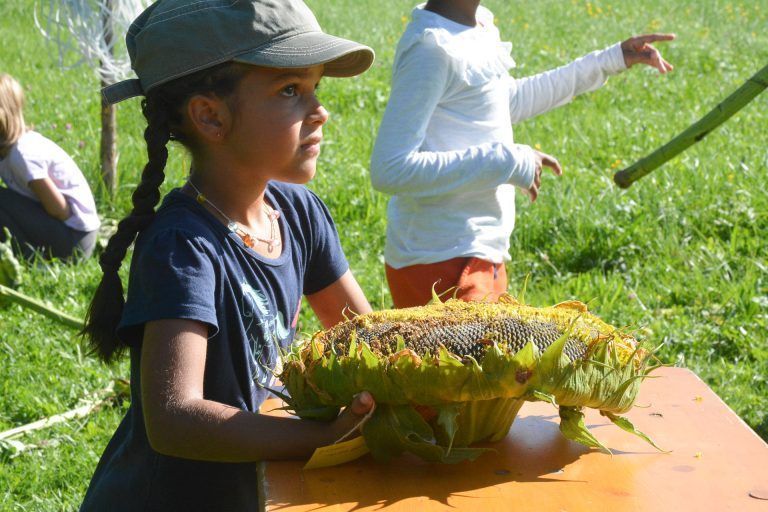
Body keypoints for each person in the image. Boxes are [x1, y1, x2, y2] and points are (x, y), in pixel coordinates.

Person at [79, 1, 376, 510]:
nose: (320, 110)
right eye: (291, 90)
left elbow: (367, 339)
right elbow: (174, 419)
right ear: (211, 116)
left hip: (251, 487)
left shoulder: (297, 213)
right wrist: (323, 438)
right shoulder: (184, 247)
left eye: (316, 88)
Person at [370, 0, 675, 308]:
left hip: (478, 252)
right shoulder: (432, 48)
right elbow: (391, 168)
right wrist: (509, 161)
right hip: (439, 262)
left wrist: (609, 60)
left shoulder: (475, 26)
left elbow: (505, 102)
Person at [0, 73, 100, 261]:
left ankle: (29, 258)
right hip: (70, 234)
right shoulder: (7, 151)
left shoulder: (22, 155)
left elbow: (59, 209)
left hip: (75, 240)